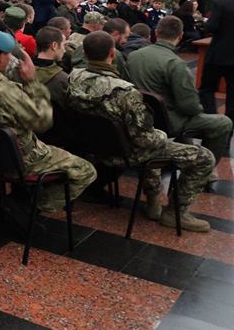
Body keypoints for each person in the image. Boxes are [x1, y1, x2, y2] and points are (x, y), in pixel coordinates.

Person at [67, 32, 214, 231]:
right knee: (204, 157)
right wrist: (163, 134)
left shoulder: (73, 77)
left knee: (147, 143)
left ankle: (153, 201)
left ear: (85, 52)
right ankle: (175, 213)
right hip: (126, 154)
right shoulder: (125, 91)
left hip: (94, 147)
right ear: (112, 53)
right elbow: (146, 141)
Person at [0, 30, 96, 216]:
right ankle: (28, 208)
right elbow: (43, 121)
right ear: (1, 57)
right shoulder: (4, 90)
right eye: (9, 55)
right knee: (86, 170)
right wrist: (31, 82)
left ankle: (21, 200)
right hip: (16, 160)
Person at [128, 15, 232, 167]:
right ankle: (205, 169)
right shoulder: (176, 64)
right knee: (223, 123)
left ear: (156, 32)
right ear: (181, 36)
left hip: (139, 116)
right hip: (167, 122)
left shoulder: (134, 56)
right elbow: (189, 107)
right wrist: (200, 110)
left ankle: (185, 156)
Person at [199, 0, 234, 115]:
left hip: (218, 55)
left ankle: (212, 119)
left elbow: (212, 27)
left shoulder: (222, 3)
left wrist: (205, 24)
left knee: (207, 89)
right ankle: (229, 123)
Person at [33, 26, 69, 105]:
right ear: (54, 45)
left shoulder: (19, 71)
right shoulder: (62, 79)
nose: (64, 50)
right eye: (63, 45)